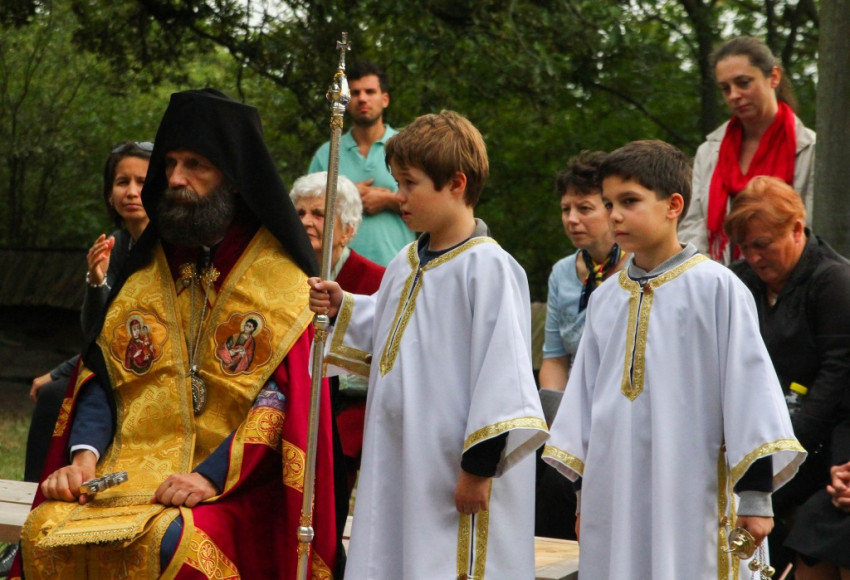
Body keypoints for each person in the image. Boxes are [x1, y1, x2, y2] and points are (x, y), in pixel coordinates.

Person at [14, 89, 338, 580]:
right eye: (170, 164)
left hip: (239, 488)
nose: (175, 179)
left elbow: (279, 401)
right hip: (125, 475)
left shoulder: (282, 281)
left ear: (233, 178)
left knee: (174, 544)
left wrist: (209, 477)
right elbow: (108, 377)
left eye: (195, 165)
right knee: (44, 530)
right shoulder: (148, 271)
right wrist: (83, 460)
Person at [542, 140, 806, 579]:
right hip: (617, 499)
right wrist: (584, 499)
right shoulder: (606, 300)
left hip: (693, 495)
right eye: (609, 203)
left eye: (630, 201)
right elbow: (584, 411)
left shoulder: (717, 288)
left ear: (673, 206)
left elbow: (750, 395)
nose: (615, 215)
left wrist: (757, 498)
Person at [308, 110, 548, 578]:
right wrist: (343, 307)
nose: (398, 196)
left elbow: (503, 375)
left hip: (453, 468)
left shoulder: (488, 268)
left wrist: (478, 469)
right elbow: (395, 331)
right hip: (401, 457)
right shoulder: (406, 261)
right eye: (397, 182)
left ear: (456, 183)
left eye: (409, 184)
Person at [724, 175, 850, 577]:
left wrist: (781, 451)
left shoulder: (834, 282)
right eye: (744, 247)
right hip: (753, 435)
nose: (753, 257)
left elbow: (835, 379)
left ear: (797, 229)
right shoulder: (738, 280)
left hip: (813, 441)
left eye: (762, 245)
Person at [23, 140, 153, 485]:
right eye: (122, 182)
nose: (131, 192)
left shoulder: (169, 248)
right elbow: (98, 332)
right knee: (52, 394)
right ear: (110, 194)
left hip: (153, 367)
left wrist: (60, 370)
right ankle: (35, 493)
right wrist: (96, 282)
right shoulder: (117, 245)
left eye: (142, 182)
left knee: (64, 389)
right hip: (114, 358)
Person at [679, 36, 816, 264]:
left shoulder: (810, 149)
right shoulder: (709, 152)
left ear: (774, 77)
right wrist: (711, 274)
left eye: (743, 83)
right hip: (719, 275)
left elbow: (812, 226)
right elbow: (693, 225)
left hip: (785, 275)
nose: (734, 95)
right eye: (725, 88)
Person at [289, 171, 385, 499]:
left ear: (349, 229)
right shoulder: (282, 274)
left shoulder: (376, 280)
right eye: (300, 212)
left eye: (319, 214)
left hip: (349, 408)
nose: (306, 221)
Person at [308, 61, 415, 266]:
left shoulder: (409, 148)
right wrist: (349, 194)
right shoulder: (327, 153)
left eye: (370, 91)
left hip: (398, 269)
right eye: (355, 93)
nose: (362, 98)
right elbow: (305, 212)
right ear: (346, 101)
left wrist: (389, 200)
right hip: (338, 271)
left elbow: (431, 204)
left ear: (385, 99)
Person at [539, 150, 627, 391]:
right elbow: (555, 360)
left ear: (612, 209)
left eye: (584, 208)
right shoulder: (562, 273)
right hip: (577, 401)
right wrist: (555, 410)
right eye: (565, 209)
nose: (572, 219)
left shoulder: (641, 266)